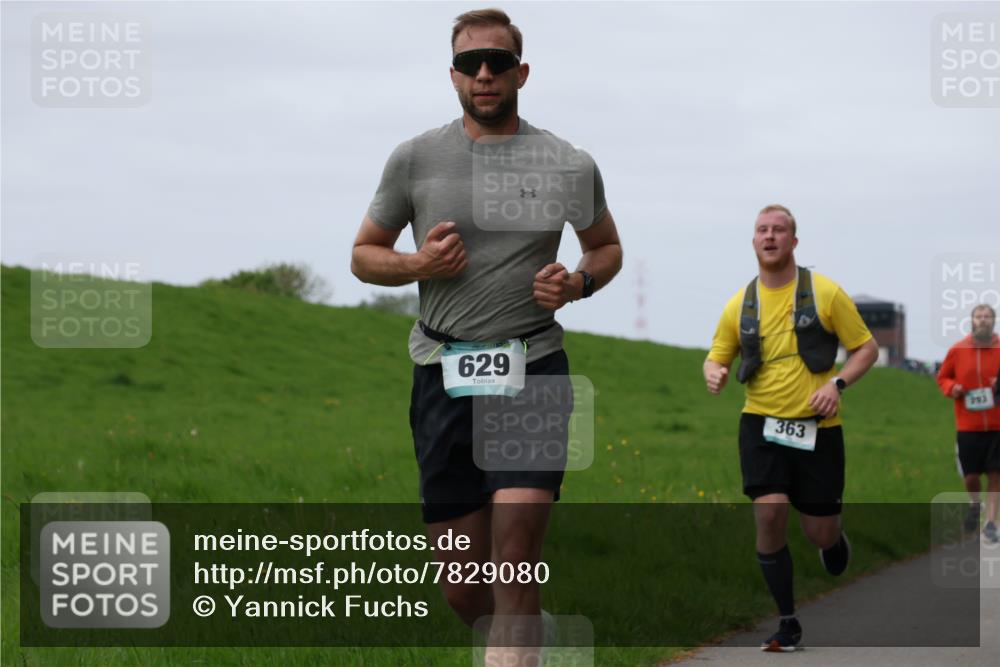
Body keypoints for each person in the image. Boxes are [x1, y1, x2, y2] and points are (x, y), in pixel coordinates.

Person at [350, 8, 622, 661]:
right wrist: (418, 264)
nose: (484, 74)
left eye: (497, 62)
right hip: (442, 372)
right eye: (470, 64)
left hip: (532, 368)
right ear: (453, 76)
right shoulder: (414, 159)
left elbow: (606, 247)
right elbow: (363, 254)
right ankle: (541, 638)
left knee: (515, 559)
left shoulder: (567, 163)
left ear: (521, 72)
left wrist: (579, 283)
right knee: (464, 588)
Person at [703, 204, 878, 652]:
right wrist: (714, 371)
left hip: (819, 426)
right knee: (770, 510)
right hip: (761, 422)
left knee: (819, 531)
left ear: (794, 242)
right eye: (762, 230)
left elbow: (866, 348)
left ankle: (833, 540)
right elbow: (717, 355)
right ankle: (787, 621)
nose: (770, 236)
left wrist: (837, 384)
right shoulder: (739, 304)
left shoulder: (825, 293)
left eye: (779, 230)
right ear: (754, 241)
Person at [936, 304, 1000, 543]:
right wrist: (953, 388)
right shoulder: (958, 350)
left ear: (993, 321)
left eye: (987, 317)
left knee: (996, 475)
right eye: (978, 317)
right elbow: (943, 377)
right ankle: (975, 504)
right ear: (972, 321)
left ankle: (991, 523)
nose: (983, 320)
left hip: (997, 425)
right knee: (971, 476)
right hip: (968, 425)